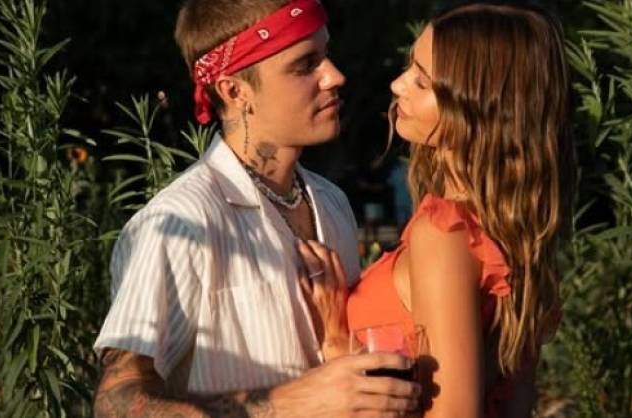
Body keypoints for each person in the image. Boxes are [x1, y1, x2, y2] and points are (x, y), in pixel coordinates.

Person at [92, 0, 420, 416]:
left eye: (326, 55)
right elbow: (114, 403)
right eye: (305, 65)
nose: (335, 76)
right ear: (234, 90)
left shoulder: (332, 201)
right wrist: (286, 404)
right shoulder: (181, 222)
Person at [297, 3, 574, 417]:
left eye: (422, 82)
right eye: (409, 67)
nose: (398, 85)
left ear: (478, 107)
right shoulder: (512, 235)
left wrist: (338, 348)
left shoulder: (445, 233)